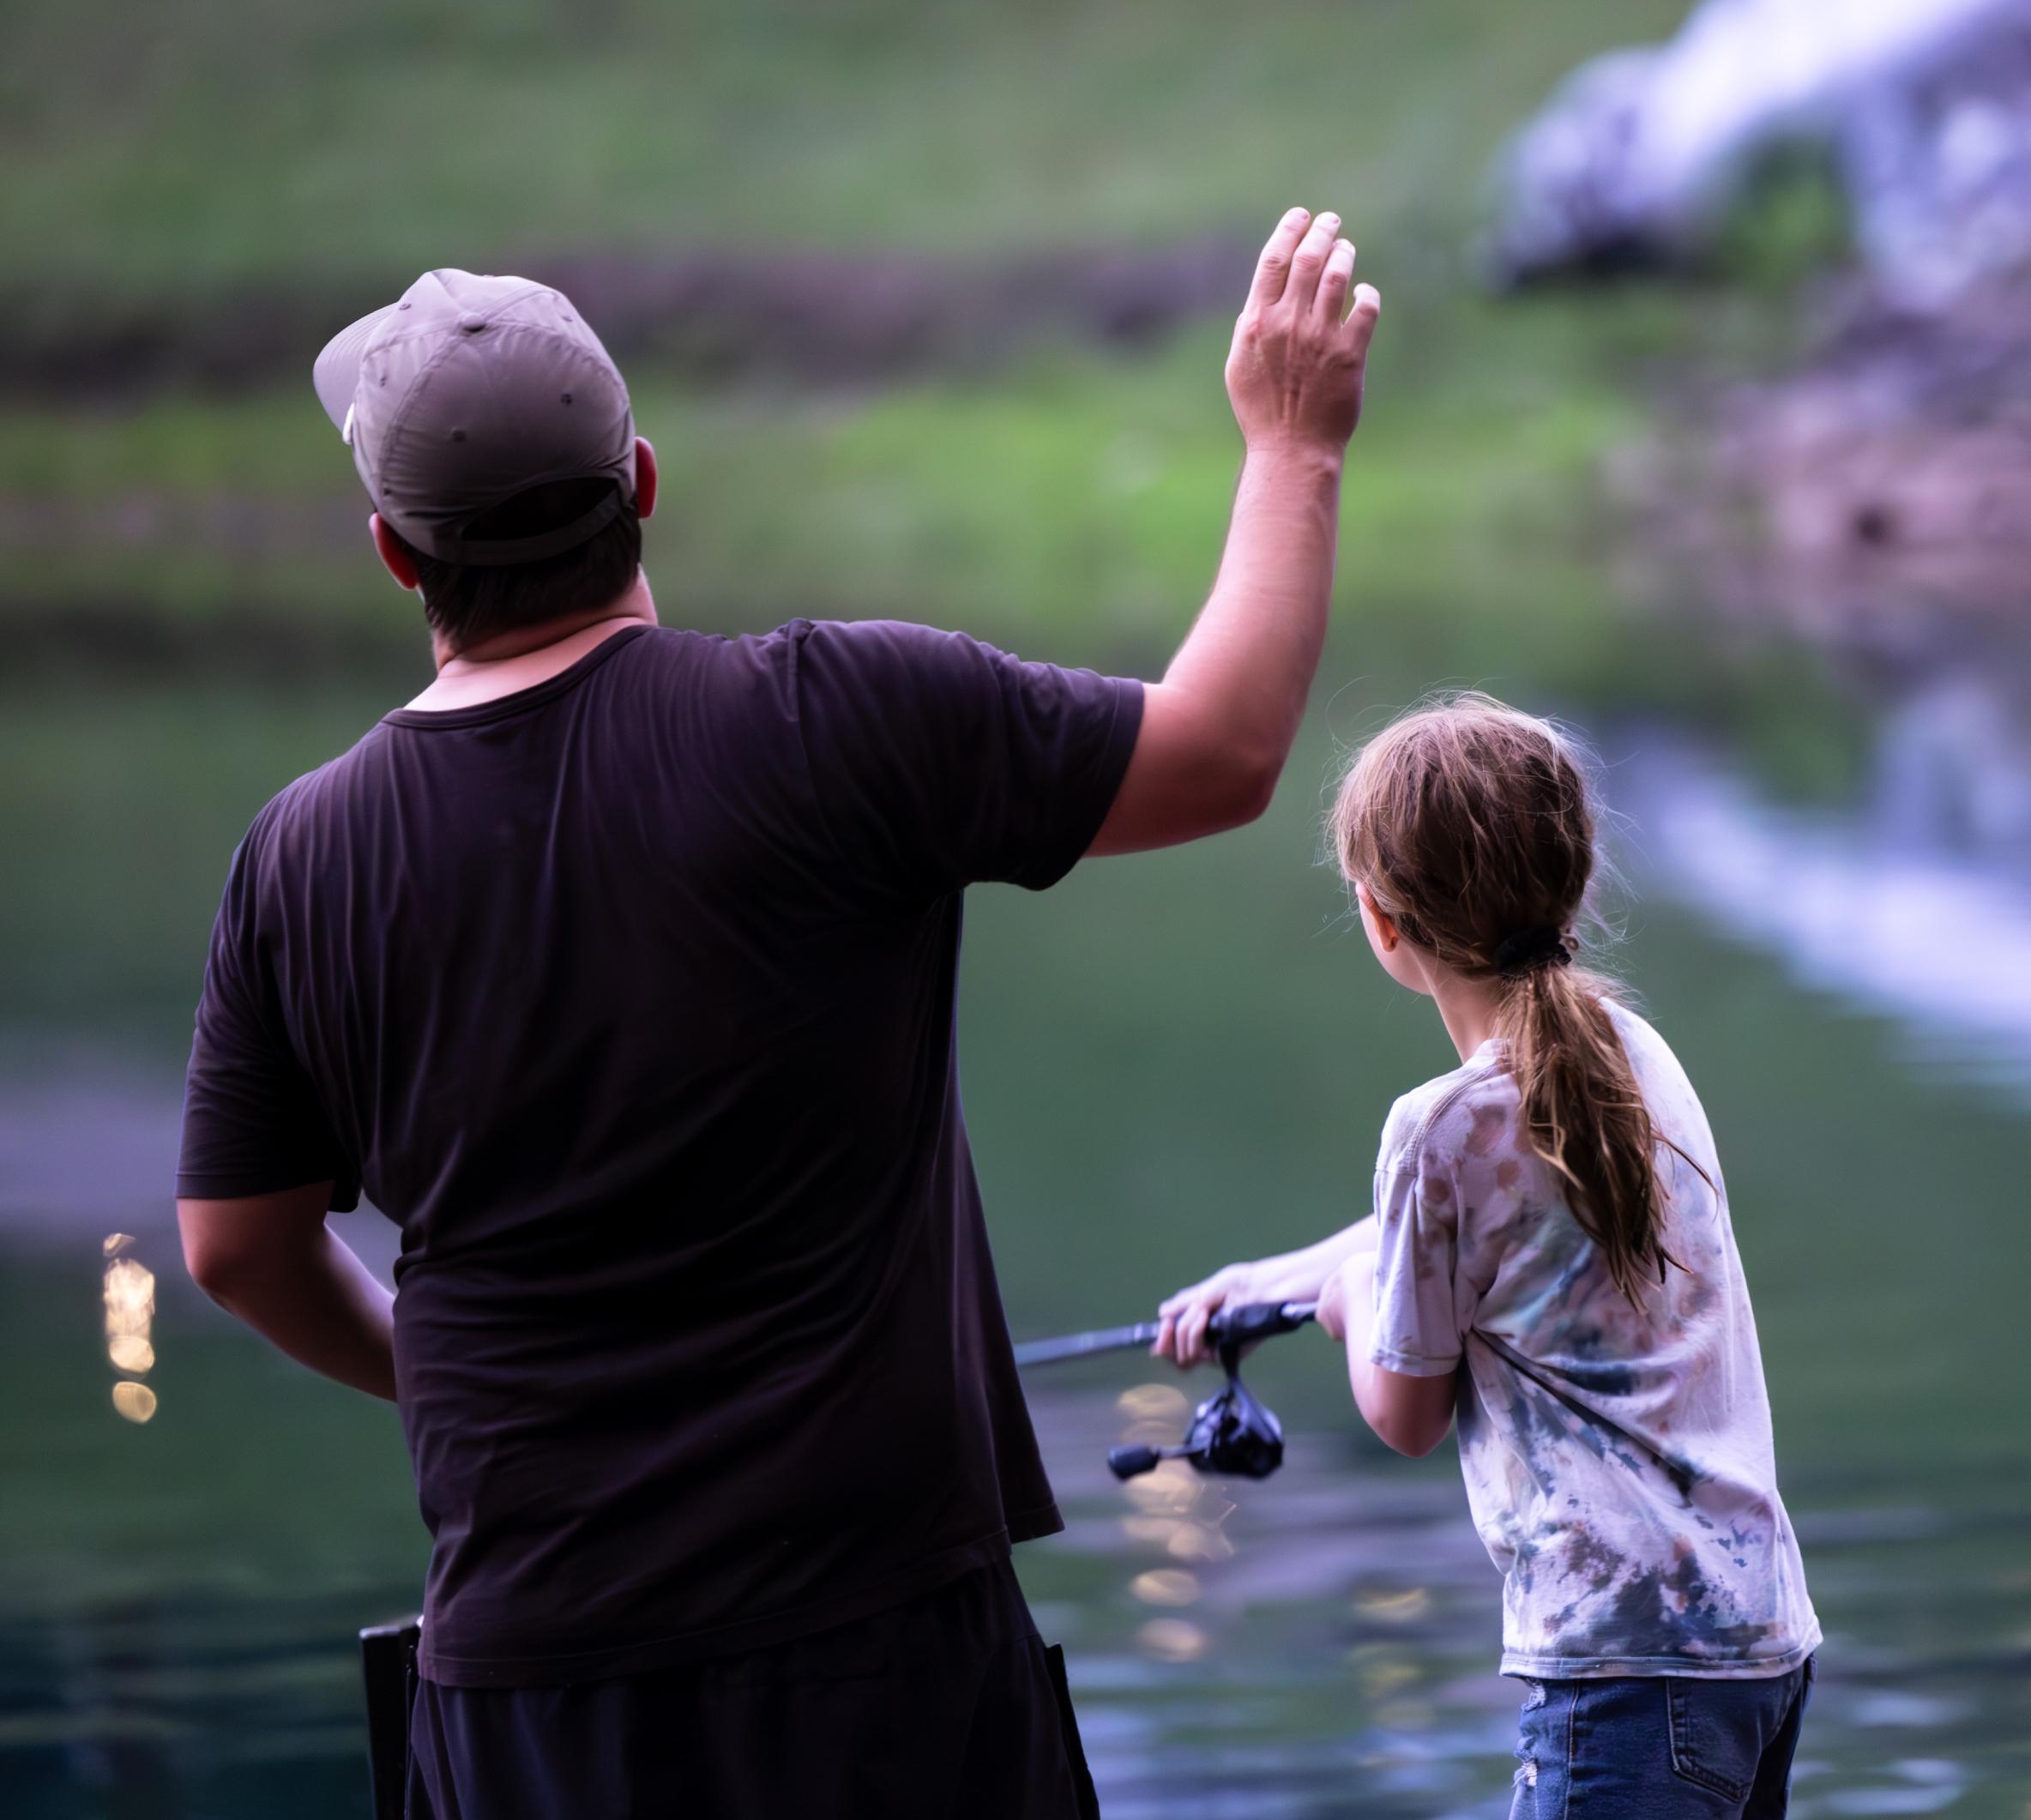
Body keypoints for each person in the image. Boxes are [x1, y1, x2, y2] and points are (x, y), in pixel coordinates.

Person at [175, 208, 1381, 1819]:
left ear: (397, 552)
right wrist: (1292, 445)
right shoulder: (835, 721)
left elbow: (236, 1250)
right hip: (882, 1659)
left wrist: (443, 1374)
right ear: (645, 481)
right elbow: (1222, 754)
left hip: (534, 1689)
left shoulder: (301, 858)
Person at [1156, 696, 1821, 1818]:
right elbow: (1495, 1233)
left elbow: (1405, 1410)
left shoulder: (1438, 1124)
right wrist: (1267, 1281)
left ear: (1383, 920)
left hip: (1617, 1675)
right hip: (1756, 1649)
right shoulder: (1629, 1053)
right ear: (1572, 873)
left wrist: (1353, 1296)